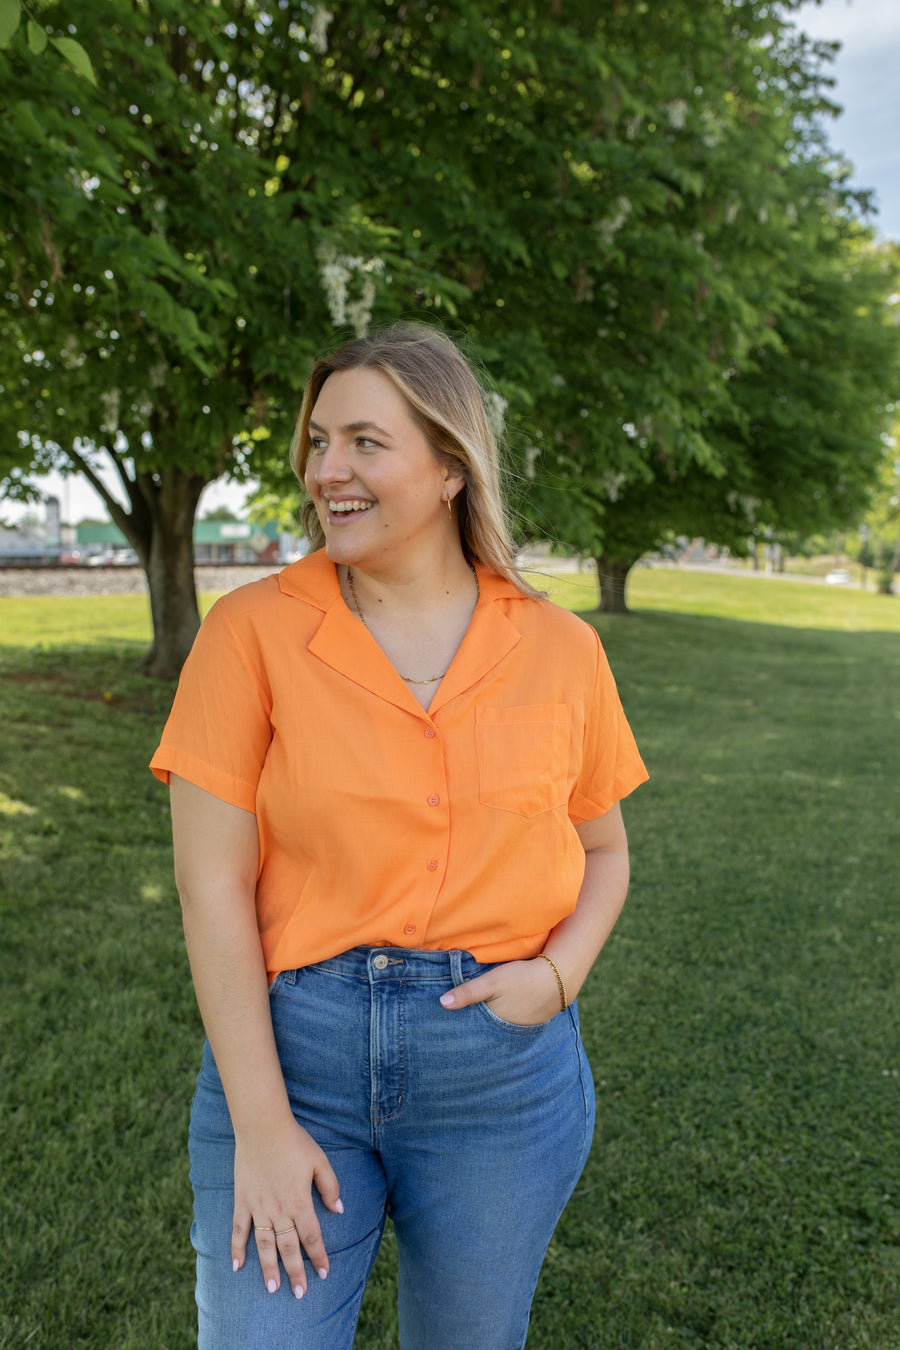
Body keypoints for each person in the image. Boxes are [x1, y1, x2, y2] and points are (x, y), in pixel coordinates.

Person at [151, 323, 648, 1349]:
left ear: (451, 467)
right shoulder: (250, 633)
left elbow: (605, 849)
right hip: (297, 1062)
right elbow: (211, 890)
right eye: (318, 440)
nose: (326, 470)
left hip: (500, 1082)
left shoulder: (561, 649)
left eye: (364, 443)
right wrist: (263, 1124)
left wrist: (557, 980)